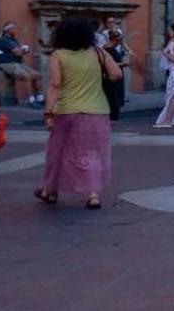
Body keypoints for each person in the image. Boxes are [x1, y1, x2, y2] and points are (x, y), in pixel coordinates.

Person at [35, 16, 120, 209]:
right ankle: (93, 194)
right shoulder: (98, 53)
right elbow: (116, 74)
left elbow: (55, 85)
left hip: (66, 111)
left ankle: (50, 190)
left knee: (58, 151)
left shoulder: (58, 55)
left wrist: (48, 113)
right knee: (92, 152)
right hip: (97, 109)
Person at [0, 21, 42, 107]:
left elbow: (19, 51)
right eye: (13, 28)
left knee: (37, 75)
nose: (15, 30)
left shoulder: (14, 40)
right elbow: (18, 52)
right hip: (6, 64)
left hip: (17, 64)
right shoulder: (3, 40)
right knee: (26, 76)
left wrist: (22, 50)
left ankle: (40, 98)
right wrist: (23, 50)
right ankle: (32, 100)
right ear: (7, 30)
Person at [94, 17, 130, 121]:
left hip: (115, 80)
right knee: (112, 100)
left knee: (115, 99)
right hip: (111, 80)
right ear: (114, 40)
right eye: (119, 41)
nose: (120, 43)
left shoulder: (111, 49)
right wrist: (123, 64)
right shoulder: (107, 50)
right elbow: (109, 65)